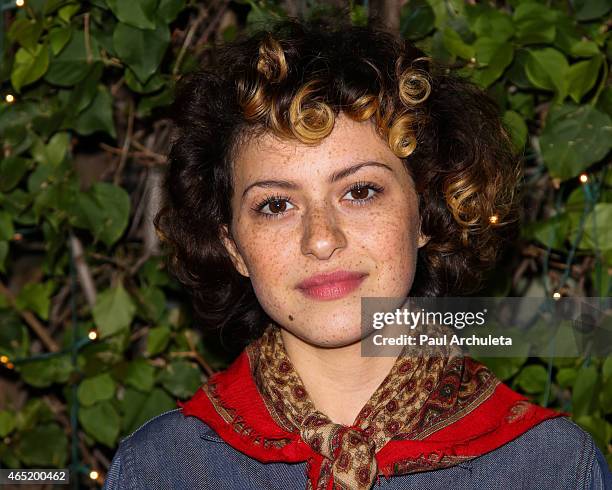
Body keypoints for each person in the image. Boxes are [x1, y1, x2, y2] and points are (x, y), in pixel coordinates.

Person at [103, 18, 612, 490]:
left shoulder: (553, 467)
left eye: (360, 192)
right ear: (233, 246)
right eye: (276, 205)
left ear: (426, 212)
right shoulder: (162, 468)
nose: (321, 239)